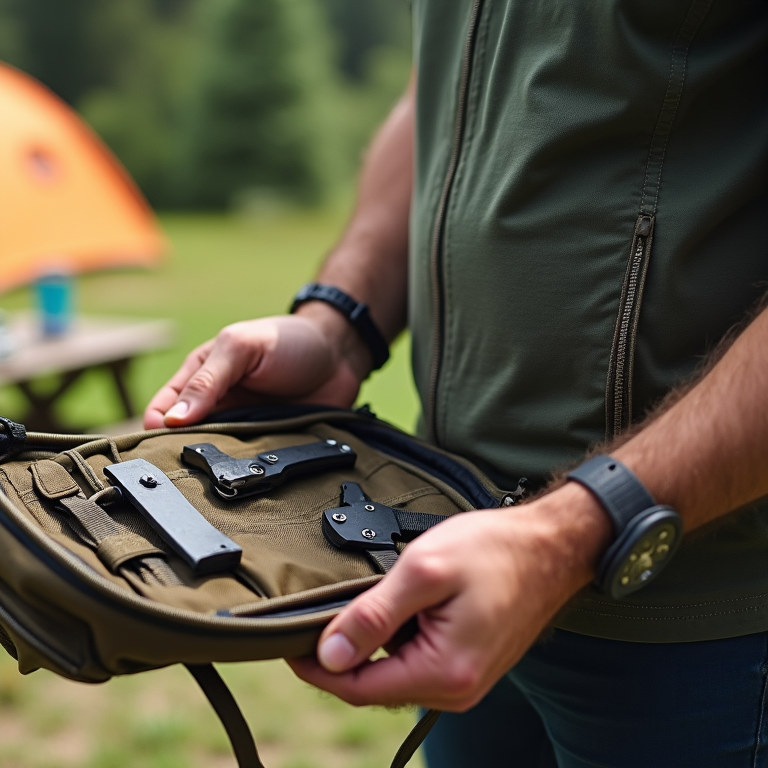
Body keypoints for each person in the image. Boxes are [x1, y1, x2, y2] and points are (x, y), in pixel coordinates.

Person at [145, 2, 768, 765]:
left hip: (701, 636)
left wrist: (568, 538)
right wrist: (339, 325)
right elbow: (435, 95)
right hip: (454, 559)